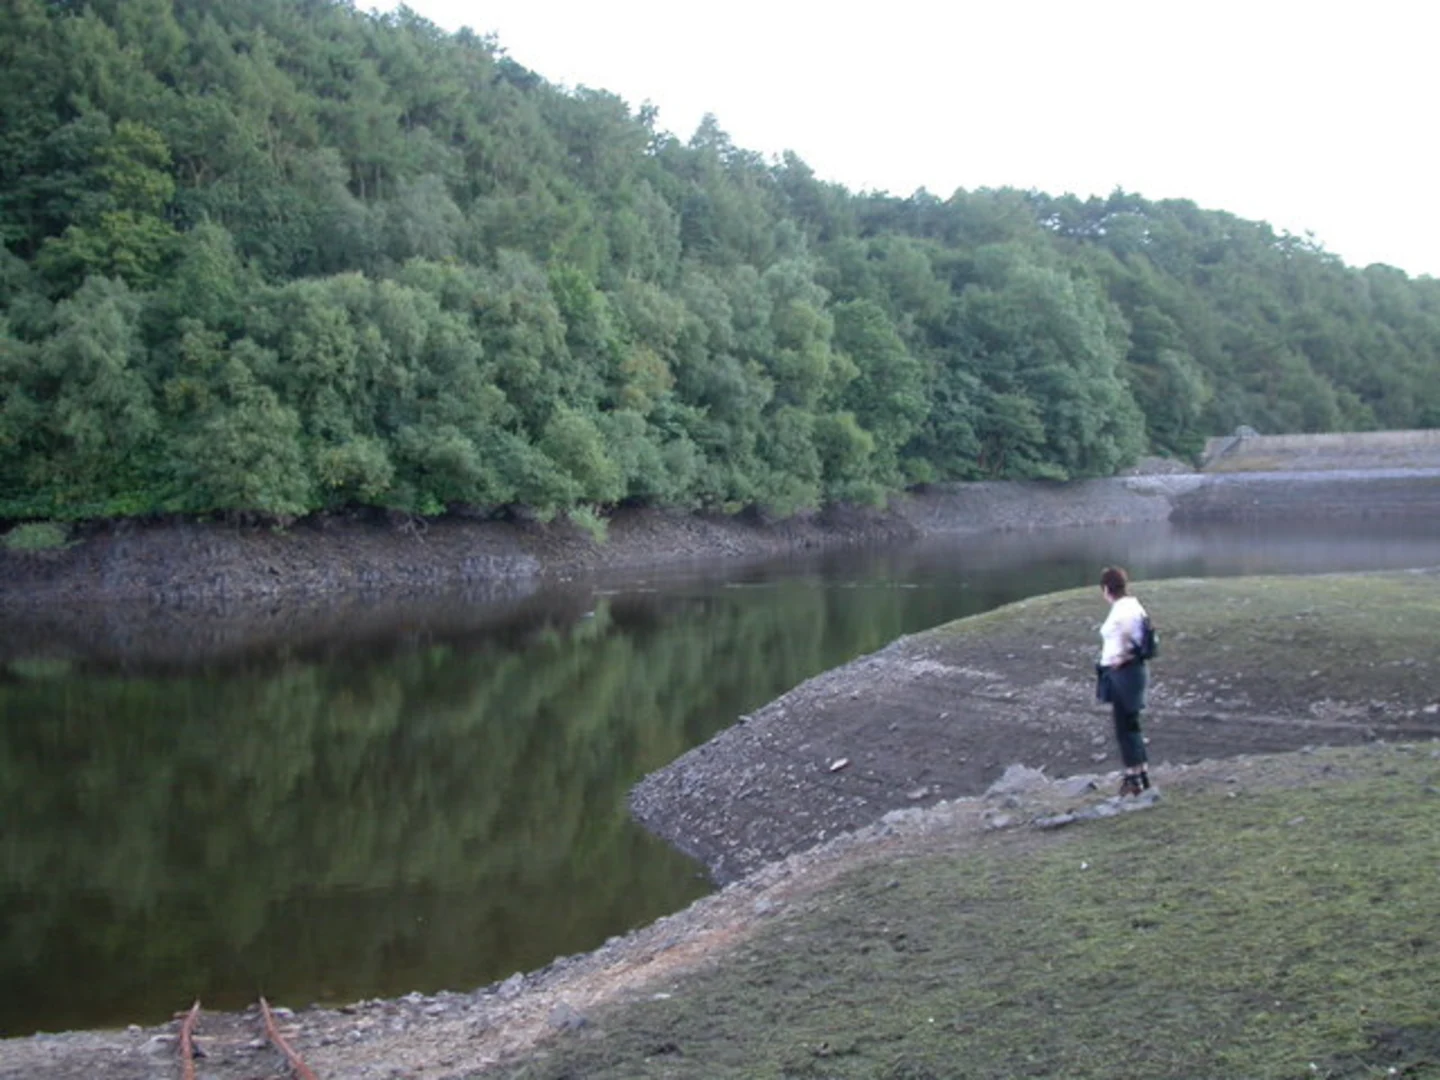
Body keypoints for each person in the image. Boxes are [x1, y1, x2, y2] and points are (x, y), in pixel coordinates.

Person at [1096, 566, 1151, 796]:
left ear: (1106, 589)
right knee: (1131, 724)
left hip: (1125, 673)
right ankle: (1140, 773)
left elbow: (1130, 635)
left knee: (1125, 726)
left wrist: (1123, 657)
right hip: (1129, 672)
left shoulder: (1123, 610)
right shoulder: (1131, 605)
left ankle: (1133, 777)